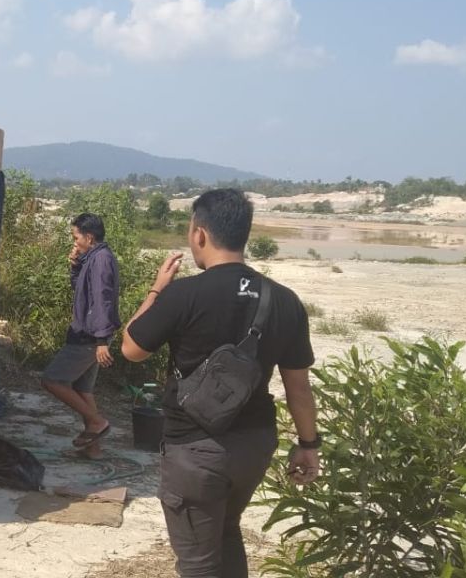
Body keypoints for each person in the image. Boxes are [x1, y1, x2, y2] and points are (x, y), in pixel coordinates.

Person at [121, 188, 319, 578]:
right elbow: (298, 387)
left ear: (199, 234)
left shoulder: (184, 294)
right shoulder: (284, 300)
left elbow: (130, 348)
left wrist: (157, 288)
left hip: (196, 451)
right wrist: (309, 446)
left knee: (197, 564)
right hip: (254, 447)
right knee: (227, 532)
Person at [40, 212, 120, 455]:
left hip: (89, 336)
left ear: (89, 236)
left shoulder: (101, 260)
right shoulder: (93, 258)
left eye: (76, 237)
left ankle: (96, 423)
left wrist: (101, 340)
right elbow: (82, 290)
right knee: (84, 390)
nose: (74, 241)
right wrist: (75, 266)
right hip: (91, 333)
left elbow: (102, 300)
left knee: (52, 380)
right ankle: (92, 447)